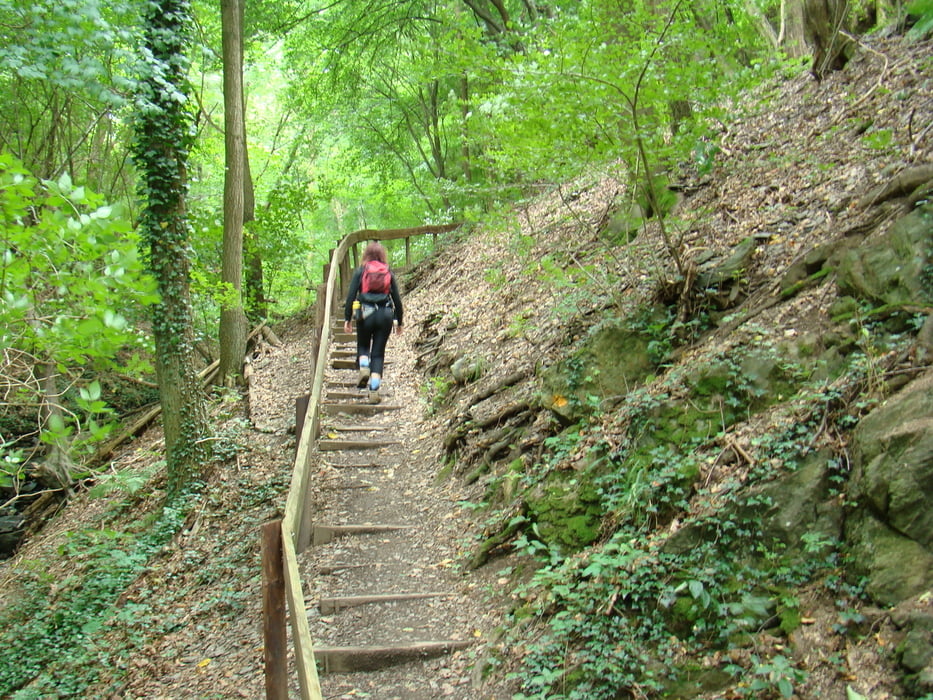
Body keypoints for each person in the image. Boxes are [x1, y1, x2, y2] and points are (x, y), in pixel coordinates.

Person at [343, 242, 403, 403]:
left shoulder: (361, 270)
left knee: (363, 346)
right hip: (385, 314)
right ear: (382, 255)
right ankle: (374, 391)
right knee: (378, 354)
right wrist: (400, 321)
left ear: (366, 255)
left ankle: (363, 367)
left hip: (365, 313)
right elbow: (397, 298)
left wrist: (347, 318)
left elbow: (350, 297)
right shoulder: (388, 271)